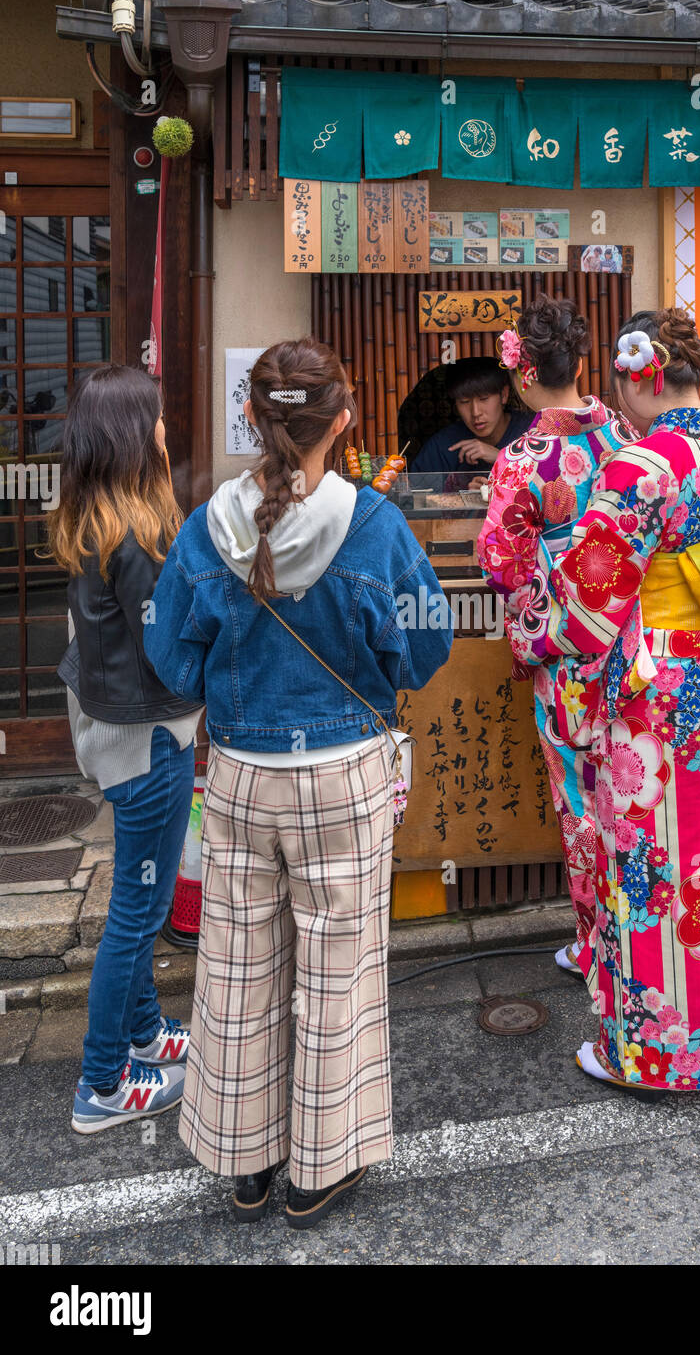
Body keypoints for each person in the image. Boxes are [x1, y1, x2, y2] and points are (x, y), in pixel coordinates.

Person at [144, 338, 452, 1227]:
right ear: (344, 421)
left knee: (237, 967)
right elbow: (425, 643)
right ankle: (319, 1169)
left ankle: (244, 1166)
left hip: (240, 772)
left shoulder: (208, 526)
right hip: (344, 774)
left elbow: (169, 653)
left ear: (254, 418)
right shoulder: (375, 525)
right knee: (337, 969)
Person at [506, 308, 700, 1091]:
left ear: (640, 375)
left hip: (659, 703)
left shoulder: (642, 467)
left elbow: (588, 597)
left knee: (649, 868)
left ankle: (657, 1054)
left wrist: (531, 633)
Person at [47, 365, 202, 1134]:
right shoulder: (137, 536)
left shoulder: (92, 518)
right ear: (138, 437)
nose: (168, 431)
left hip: (116, 731)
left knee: (135, 901)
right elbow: (168, 650)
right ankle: (103, 1083)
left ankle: (143, 1031)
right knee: (139, 910)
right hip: (147, 742)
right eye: (160, 419)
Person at [477, 294, 638, 994]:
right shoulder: (627, 438)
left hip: (570, 656)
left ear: (525, 376)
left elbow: (500, 563)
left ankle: (595, 946)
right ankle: (636, 935)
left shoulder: (524, 458)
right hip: (632, 647)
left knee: (579, 801)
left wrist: (551, 568)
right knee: (630, 795)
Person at [409, 357, 532, 477]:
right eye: (464, 402)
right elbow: (416, 492)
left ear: (504, 395)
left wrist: (501, 458)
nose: (475, 412)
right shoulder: (443, 447)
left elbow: (548, 483)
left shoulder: (532, 431)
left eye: (484, 399)